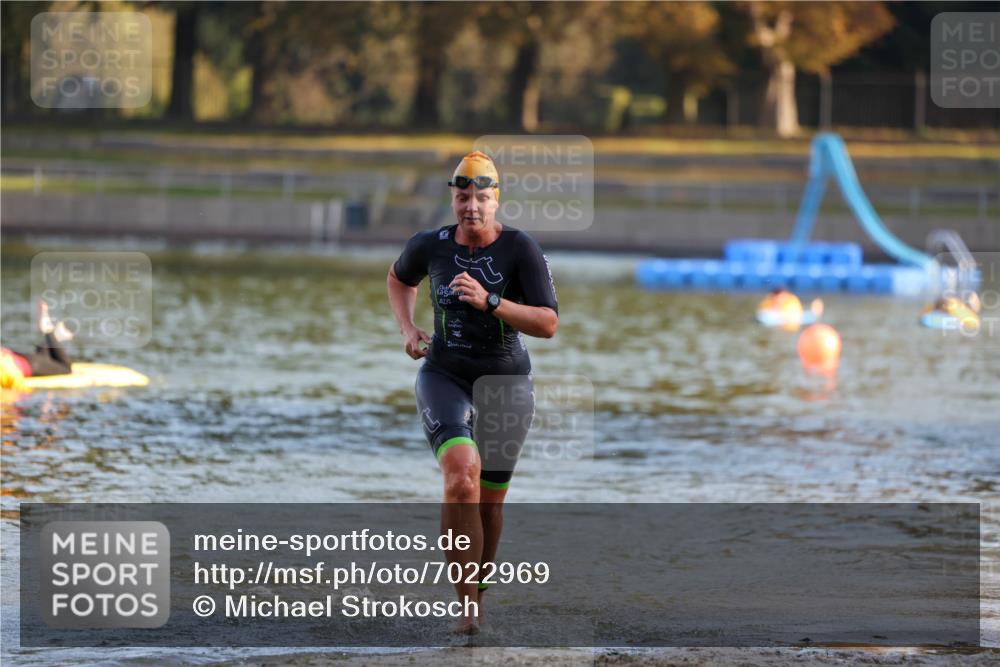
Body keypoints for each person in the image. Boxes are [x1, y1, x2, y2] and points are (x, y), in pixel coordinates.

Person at [386, 151, 558, 634]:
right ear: (454, 199)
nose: (472, 207)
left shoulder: (520, 249)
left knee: (489, 503)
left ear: (496, 200)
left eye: (482, 197)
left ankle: (479, 592)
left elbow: (548, 324)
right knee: (461, 477)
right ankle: (467, 607)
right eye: (463, 197)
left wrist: (492, 301)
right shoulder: (430, 245)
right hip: (445, 376)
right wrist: (407, 328)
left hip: (507, 385)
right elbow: (398, 278)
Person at [1, 301, 75, 391]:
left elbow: (14, 378)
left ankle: (48, 331)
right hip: (20, 358)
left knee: (66, 368)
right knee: (45, 357)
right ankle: (54, 336)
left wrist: (25, 391)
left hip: (29, 365)